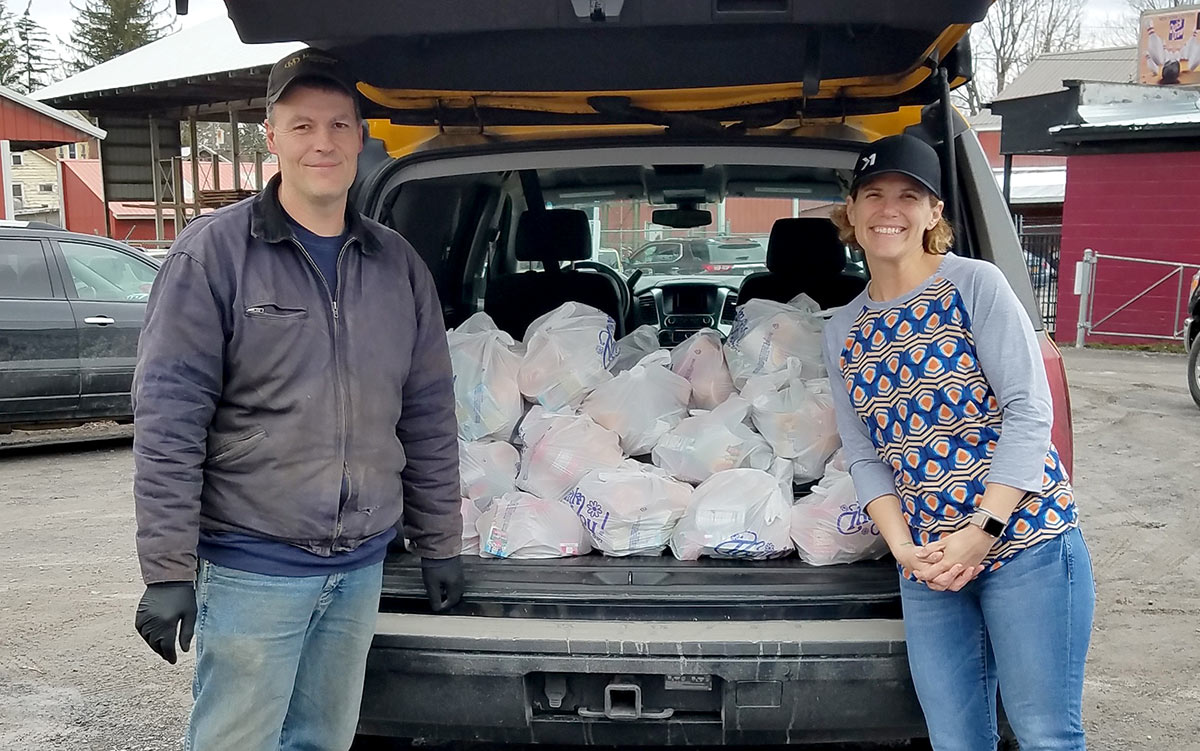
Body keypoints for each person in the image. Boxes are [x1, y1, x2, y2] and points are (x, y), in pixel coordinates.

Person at [131, 48, 463, 751]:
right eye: (303, 125)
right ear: (271, 136)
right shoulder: (212, 256)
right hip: (254, 563)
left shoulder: (397, 265)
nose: (324, 143)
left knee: (323, 739)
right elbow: (168, 420)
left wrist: (439, 544)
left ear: (361, 139)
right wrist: (166, 570)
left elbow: (429, 413)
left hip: (360, 567)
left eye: (340, 126)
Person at [823, 134, 1095, 750]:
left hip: (1026, 544)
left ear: (934, 213)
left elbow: (1030, 411)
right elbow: (863, 451)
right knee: (954, 740)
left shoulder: (975, 285)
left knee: (1046, 734)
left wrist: (983, 530)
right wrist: (903, 550)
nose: (888, 209)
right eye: (873, 195)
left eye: (908, 196)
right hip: (930, 566)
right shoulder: (842, 328)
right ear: (852, 212)